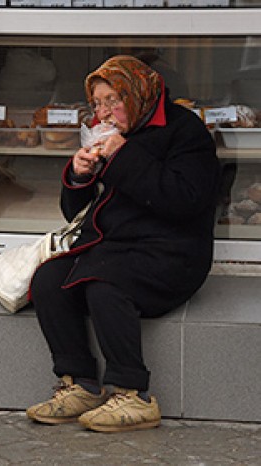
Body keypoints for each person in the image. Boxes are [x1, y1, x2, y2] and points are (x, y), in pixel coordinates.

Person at [26, 55, 220, 432]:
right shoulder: (109, 134)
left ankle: (134, 395)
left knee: (104, 284)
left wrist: (122, 155)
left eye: (113, 100)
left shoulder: (185, 132)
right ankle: (80, 383)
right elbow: (74, 211)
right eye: (97, 104)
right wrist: (79, 175)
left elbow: (185, 199)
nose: (104, 112)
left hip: (173, 252)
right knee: (49, 280)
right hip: (115, 248)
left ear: (137, 92)